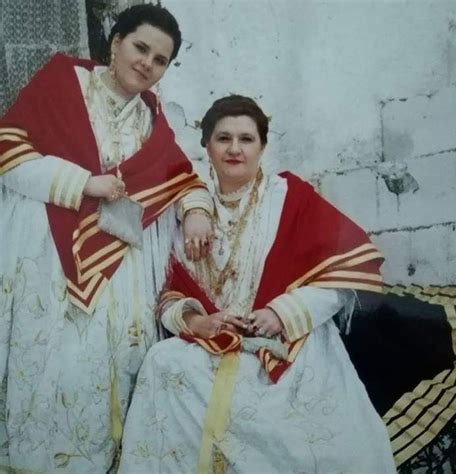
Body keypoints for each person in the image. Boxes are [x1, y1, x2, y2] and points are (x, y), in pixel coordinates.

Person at [118, 95, 397, 473]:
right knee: (162, 361)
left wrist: (281, 313)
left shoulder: (290, 197)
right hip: (213, 343)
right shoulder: (187, 211)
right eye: (223, 138)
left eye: (246, 139)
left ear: (263, 146)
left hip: (287, 341)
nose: (235, 149)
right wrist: (196, 321)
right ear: (207, 146)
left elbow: (340, 278)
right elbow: (168, 292)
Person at [0, 3, 214, 472]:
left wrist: (196, 209)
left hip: (122, 271)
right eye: (140, 48)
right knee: (58, 370)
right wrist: (81, 183)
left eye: (160, 60)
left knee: (112, 371)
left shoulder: (150, 117)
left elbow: (181, 176)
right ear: (115, 42)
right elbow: (8, 151)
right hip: (52, 263)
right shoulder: (63, 83)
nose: (147, 65)